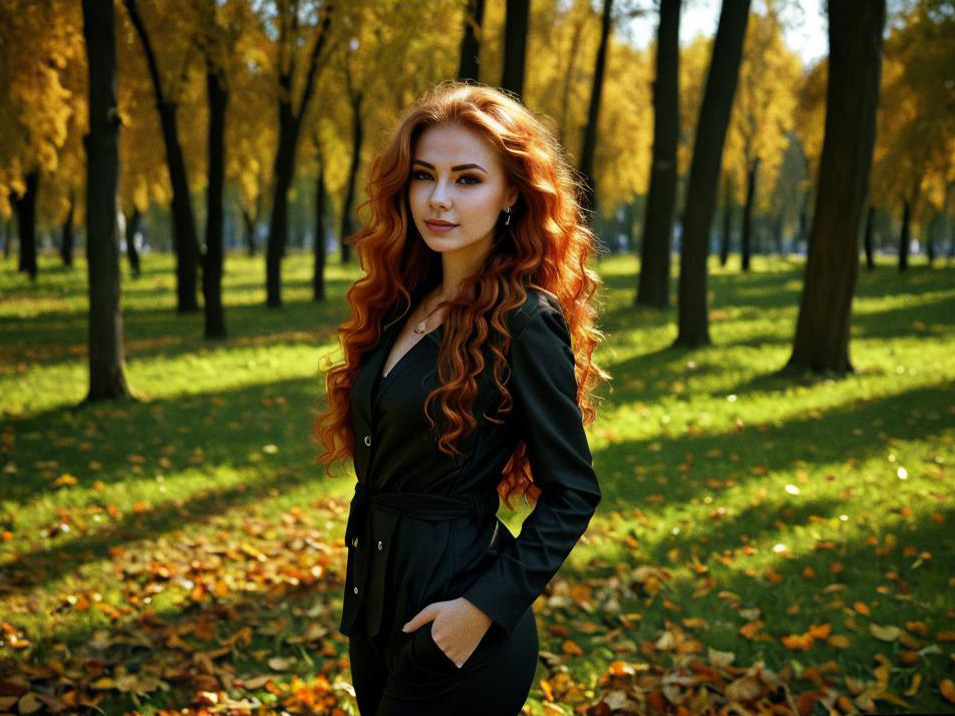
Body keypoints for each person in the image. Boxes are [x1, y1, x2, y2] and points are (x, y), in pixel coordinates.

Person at [313, 80, 609, 716]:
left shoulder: (526, 320)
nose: (438, 199)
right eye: (425, 175)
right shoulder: (402, 304)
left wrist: (480, 611)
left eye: (467, 179)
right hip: (374, 610)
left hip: (458, 625)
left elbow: (574, 492)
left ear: (511, 195)